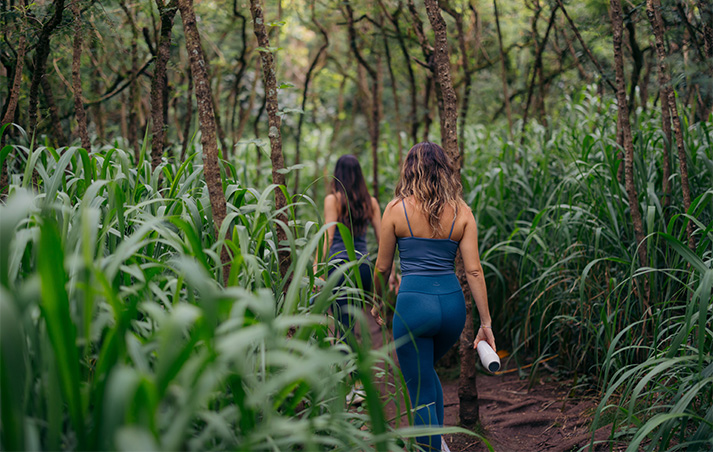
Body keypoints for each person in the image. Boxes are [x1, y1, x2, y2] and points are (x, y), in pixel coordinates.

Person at [371, 142, 496, 452]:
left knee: (418, 382)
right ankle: (437, 442)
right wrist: (486, 323)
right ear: (444, 170)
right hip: (452, 309)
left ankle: (430, 447)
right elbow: (474, 271)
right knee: (425, 373)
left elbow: (382, 266)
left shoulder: (395, 209)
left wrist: (376, 300)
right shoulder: (463, 211)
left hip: (414, 307)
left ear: (410, 170)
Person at [315, 154, 382, 350]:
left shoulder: (333, 200)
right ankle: (355, 370)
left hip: (339, 269)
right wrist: (390, 273)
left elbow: (328, 237)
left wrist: (315, 268)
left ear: (338, 175)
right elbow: (383, 240)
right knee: (351, 321)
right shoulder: (371, 203)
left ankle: (352, 376)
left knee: (344, 327)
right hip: (363, 269)